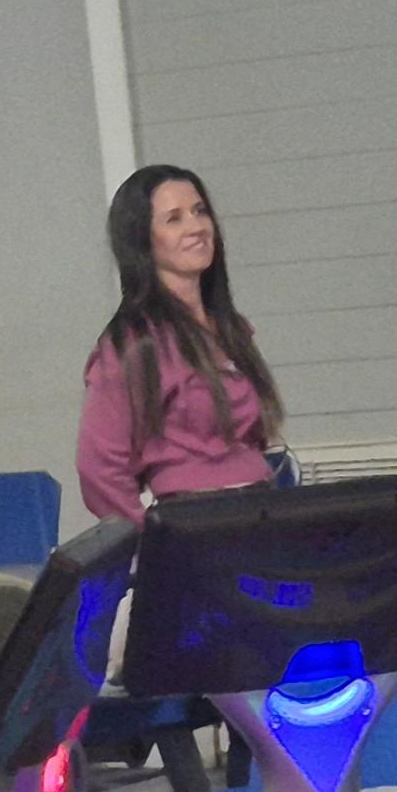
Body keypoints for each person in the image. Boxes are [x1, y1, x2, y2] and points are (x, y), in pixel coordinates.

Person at [77, 165, 284, 524]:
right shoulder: (134, 345)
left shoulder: (232, 330)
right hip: (195, 527)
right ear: (142, 239)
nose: (196, 227)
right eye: (173, 219)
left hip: (262, 514)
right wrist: (157, 541)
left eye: (200, 211)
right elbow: (98, 470)